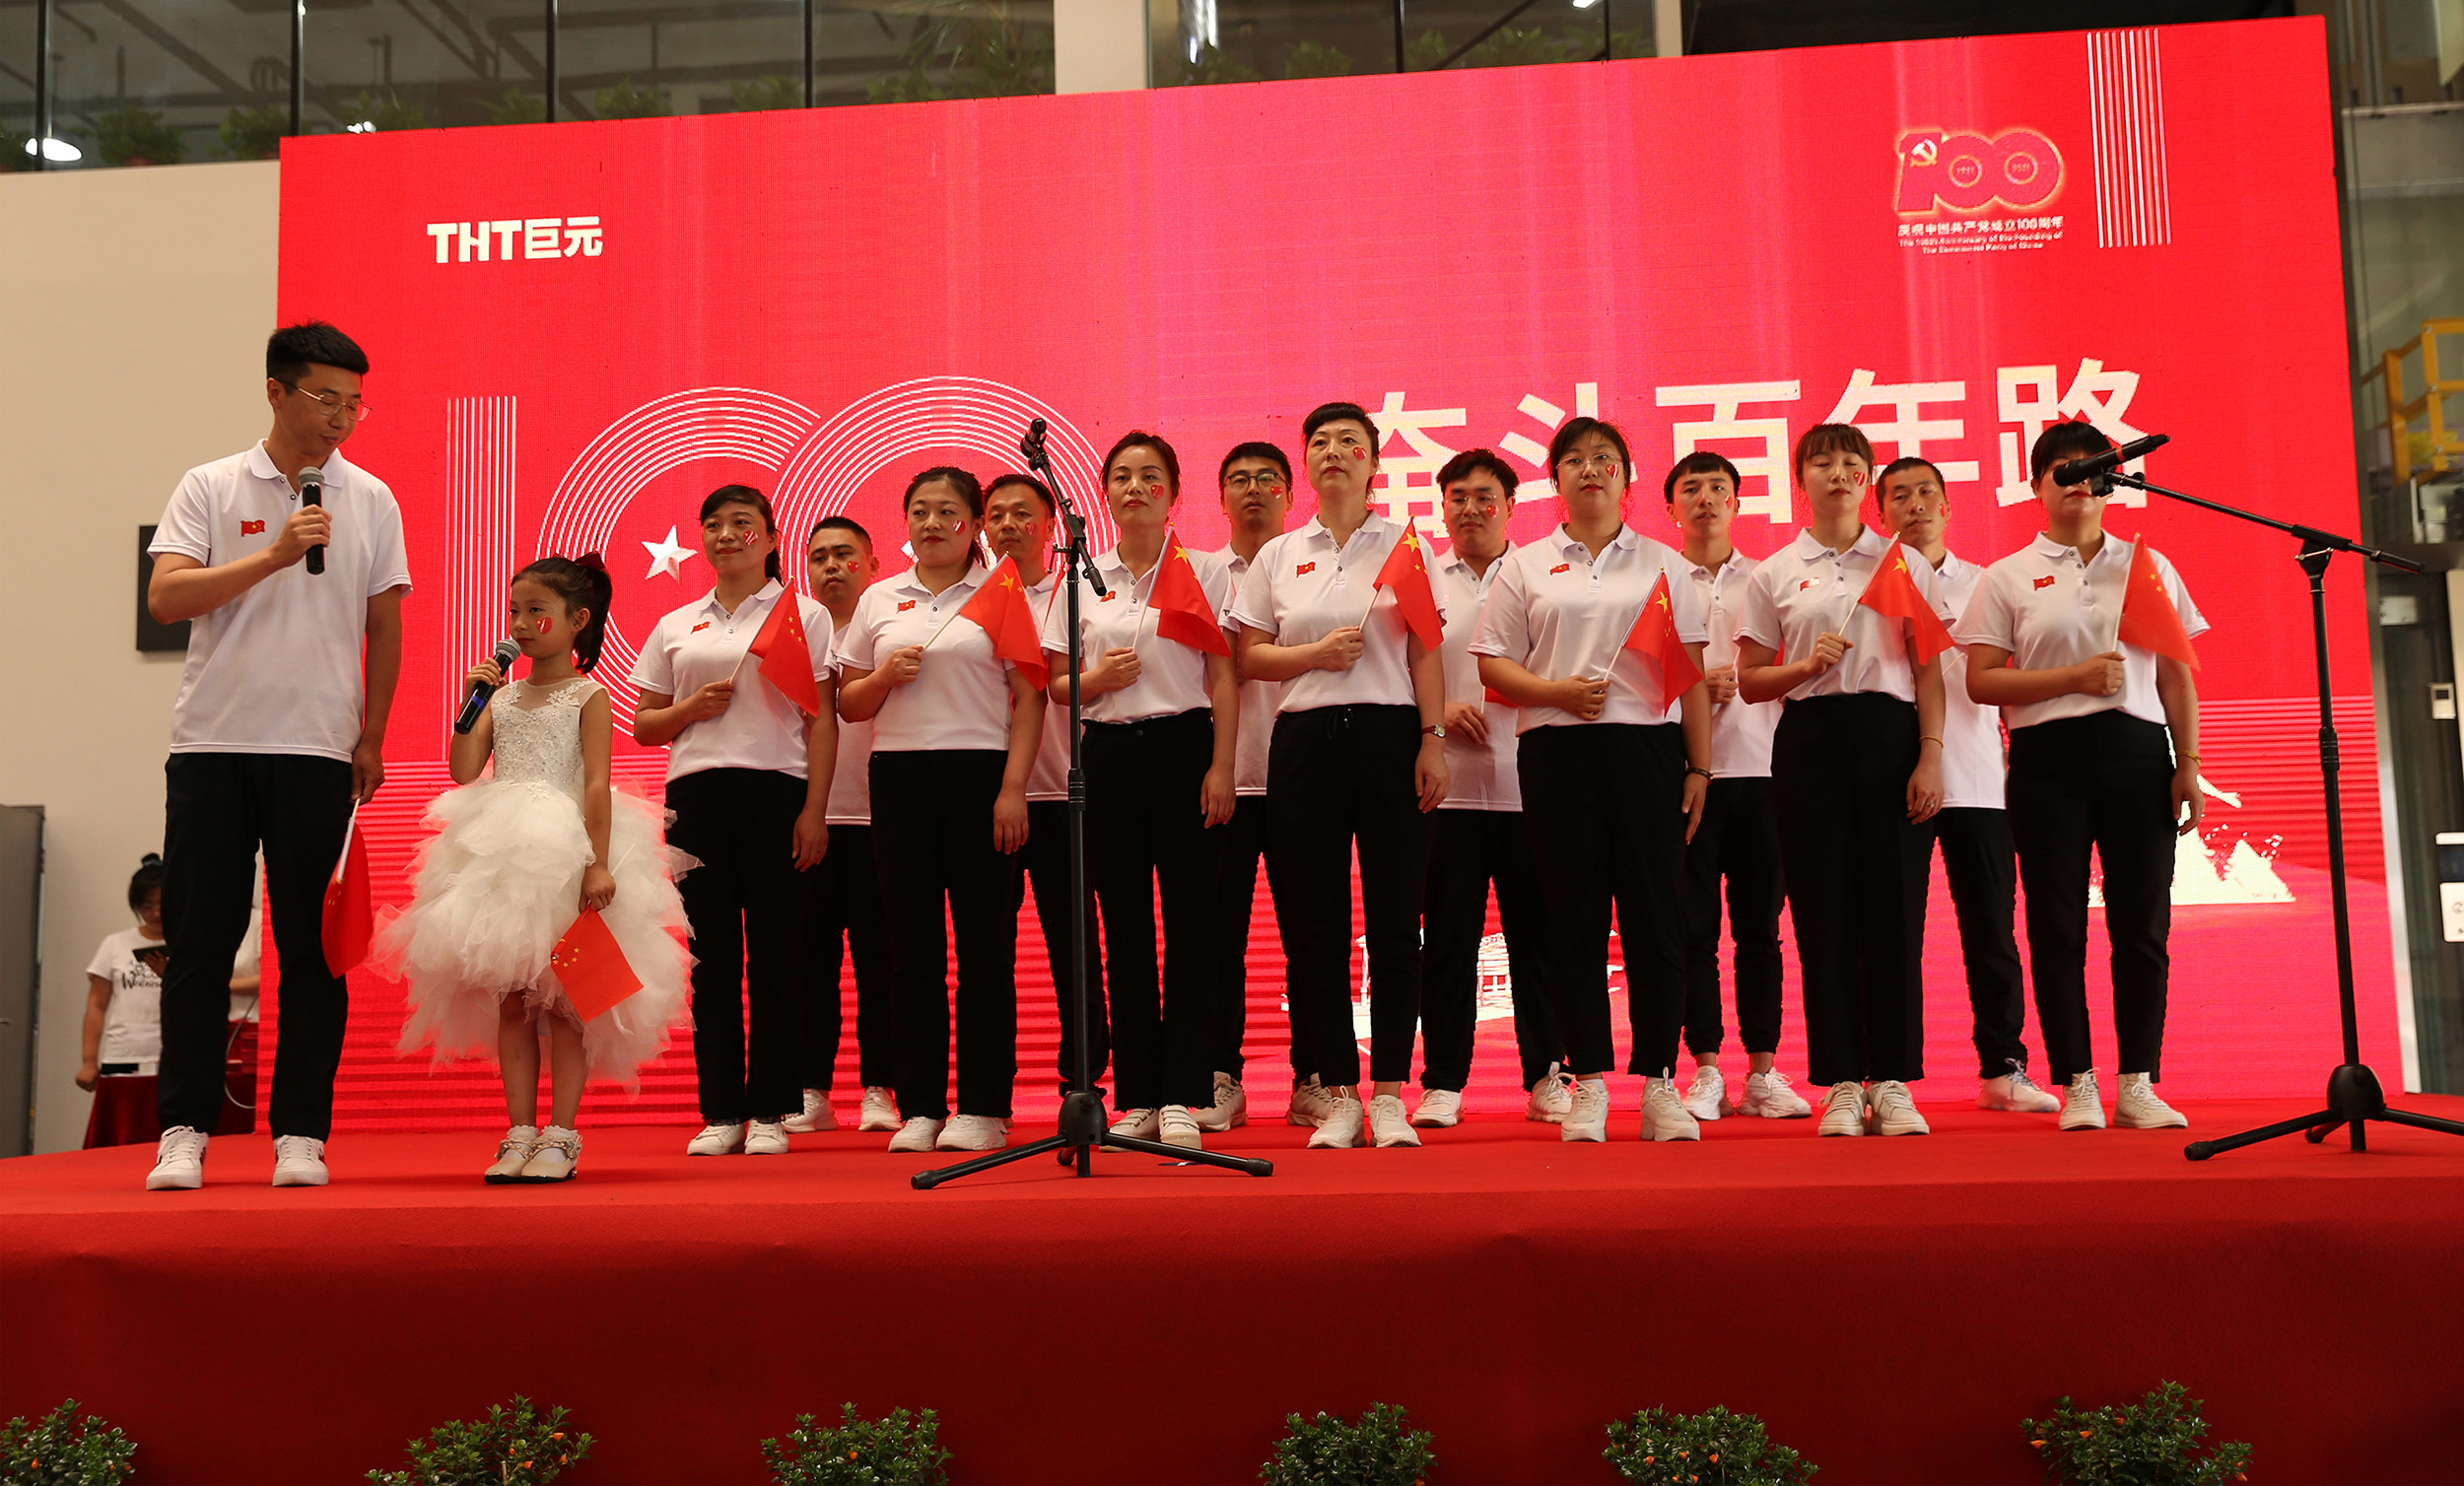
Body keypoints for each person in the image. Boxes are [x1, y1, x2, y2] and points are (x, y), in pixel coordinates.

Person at [142, 321, 410, 1191]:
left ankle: (300, 1132)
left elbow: (383, 625)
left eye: (354, 404)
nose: (342, 417)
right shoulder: (211, 484)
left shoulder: (371, 498)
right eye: (326, 398)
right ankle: (184, 1129)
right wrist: (274, 553)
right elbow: (167, 597)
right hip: (215, 744)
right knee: (200, 945)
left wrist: (372, 735)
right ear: (275, 391)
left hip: (319, 749)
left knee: (312, 952)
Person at [381, 557, 692, 1182]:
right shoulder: (497, 696)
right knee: (516, 1001)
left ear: (577, 620)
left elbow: (597, 783)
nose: (520, 624)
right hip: (501, 853)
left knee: (566, 1000)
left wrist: (596, 863)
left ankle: (561, 1134)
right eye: (515, 611)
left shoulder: (589, 695)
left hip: (565, 850)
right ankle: (519, 1130)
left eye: (536, 611)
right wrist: (471, 701)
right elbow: (464, 770)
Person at [1954, 423, 2205, 1132]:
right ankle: (2078, 1083)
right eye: (2060, 469)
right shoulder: (2007, 575)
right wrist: (2075, 677)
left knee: (2142, 927)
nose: (2077, 480)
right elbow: (1981, 681)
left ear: (2110, 481)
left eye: (2090, 467)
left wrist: (2188, 765)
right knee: (2056, 926)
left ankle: (2139, 1082)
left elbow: (2176, 677)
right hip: (2047, 764)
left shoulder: (2145, 565)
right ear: (2037, 486)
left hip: (2139, 758)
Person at [1472, 418, 1713, 1143]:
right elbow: (1493, 664)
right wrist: (1556, 693)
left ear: (1626, 478)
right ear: (1555, 479)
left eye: (1604, 458)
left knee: (1655, 916)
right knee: (1572, 918)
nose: (1589, 469)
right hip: (1557, 751)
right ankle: (1591, 1084)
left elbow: (1691, 676)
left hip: (1647, 748)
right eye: (1573, 459)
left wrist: (1700, 767)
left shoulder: (1664, 564)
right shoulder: (1526, 565)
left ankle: (1660, 1082)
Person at [1232, 401, 1449, 1149]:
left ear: (1373, 464)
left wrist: (1432, 740)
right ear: (1307, 464)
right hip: (1303, 743)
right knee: (1314, 928)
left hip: (1391, 737)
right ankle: (1337, 1092)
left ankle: (1388, 1092)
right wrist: (1313, 656)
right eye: (1319, 442)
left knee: (1394, 922)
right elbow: (1251, 656)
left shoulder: (1405, 546)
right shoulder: (1278, 554)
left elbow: (1425, 650)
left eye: (1349, 442)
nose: (1333, 452)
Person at [1735, 424, 1949, 1139]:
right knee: (1821, 912)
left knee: (1895, 910)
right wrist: (1804, 667)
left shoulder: (1900, 562)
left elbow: (1928, 673)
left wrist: (1930, 755)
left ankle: (1893, 1079)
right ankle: (1842, 1083)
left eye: (1850, 463)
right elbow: (1750, 680)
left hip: (1891, 738)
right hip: (1810, 741)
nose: (1836, 473)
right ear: (1801, 479)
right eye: (1821, 462)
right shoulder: (1774, 572)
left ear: (1867, 480)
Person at [839, 467, 1049, 1153]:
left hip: (980, 775)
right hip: (898, 778)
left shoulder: (999, 591)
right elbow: (849, 703)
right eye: (920, 512)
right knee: (913, 951)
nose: (932, 524)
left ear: (975, 525)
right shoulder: (879, 599)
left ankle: (984, 1106)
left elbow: (1031, 697)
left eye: (948, 512)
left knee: (985, 948)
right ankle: (922, 1105)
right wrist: (882, 676)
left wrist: (1012, 788)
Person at [1045, 432, 1239, 1149]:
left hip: (1186, 749)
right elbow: (1055, 682)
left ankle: (1184, 1092)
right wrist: (1095, 680)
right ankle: (1139, 1095)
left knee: (1192, 929)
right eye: (1122, 476)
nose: (1135, 488)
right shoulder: (1081, 576)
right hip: (1107, 756)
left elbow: (1224, 676)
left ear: (1174, 494)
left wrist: (1222, 767)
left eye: (1150, 476)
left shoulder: (1205, 570)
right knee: (1123, 932)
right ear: (1104, 494)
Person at [633, 486, 835, 1158]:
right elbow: (644, 725)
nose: (725, 535)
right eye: (713, 524)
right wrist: (688, 710)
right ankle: (721, 1112)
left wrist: (814, 811)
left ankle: (772, 1111)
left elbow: (822, 722)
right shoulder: (677, 623)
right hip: (695, 797)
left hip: (778, 792)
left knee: (776, 955)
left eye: (742, 524)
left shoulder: (803, 614)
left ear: (771, 539)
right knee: (711, 960)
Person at [1877, 457, 2059, 1115]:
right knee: (1893, 932)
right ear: (1881, 513)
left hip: (1978, 778)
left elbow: (2013, 678)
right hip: (1892, 780)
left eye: (1927, 492)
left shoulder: (1987, 583)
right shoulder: (1868, 586)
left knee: (1991, 930)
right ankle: (1887, 1075)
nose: (1915, 504)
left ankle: (2003, 1067)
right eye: (1900, 495)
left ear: (1948, 507)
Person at [1414, 448, 1573, 1129]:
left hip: (1529, 786)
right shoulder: (1422, 577)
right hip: (1445, 790)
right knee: (1447, 942)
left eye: (1486, 498)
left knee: (1538, 940)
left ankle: (1548, 1075)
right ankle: (1443, 1082)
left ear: (1511, 507)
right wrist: (1438, 712)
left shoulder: (1539, 575)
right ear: (1442, 507)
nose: (1471, 510)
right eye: (1458, 498)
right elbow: (1392, 669)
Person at [1665, 452, 1811, 1121]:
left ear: (1737, 503)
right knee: (1691, 931)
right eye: (1691, 489)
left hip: (1766, 771)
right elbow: (1630, 677)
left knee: (1760, 932)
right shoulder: (1657, 579)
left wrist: (1749, 681)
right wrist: (1693, 690)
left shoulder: (1771, 578)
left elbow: (1798, 669)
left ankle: (1762, 1072)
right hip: (1685, 777)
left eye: (1718, 488)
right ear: (1671, 507)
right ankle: (1704, 1070)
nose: (1705, 499)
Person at [987, 472, 1110, 1101]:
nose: (1008, 525)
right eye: (996, 515)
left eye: (1022, 513)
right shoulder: (971, 600)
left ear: (1051, 524)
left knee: (1075, 945)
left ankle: (1082, 1080)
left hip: (1067, 795)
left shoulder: (1076, 594)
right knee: (989, 949)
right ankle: (990, 1091)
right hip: (991, 798)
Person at [1202, 441, 1309, 1131]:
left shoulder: (1310, 569)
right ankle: (1220, 1076)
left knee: (1311, 936)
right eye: (1237, 479)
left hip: (1304, 779)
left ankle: (1316, 1076)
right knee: (1217, 939)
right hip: (1223, 781)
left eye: (1267, 478)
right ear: (1220, 498)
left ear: (1289, 494)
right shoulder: (1202, 575)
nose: (1252, 490)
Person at [787, 516, 900, 1135]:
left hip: (882, 817)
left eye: (845, 555)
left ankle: (881, 1087)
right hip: (812, 818)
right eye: (819, 557)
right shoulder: (793, 632)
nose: (831, 566)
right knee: (810, 963)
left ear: (873, 564)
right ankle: (811, 1089)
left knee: (883, 963)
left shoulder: (891, 624)